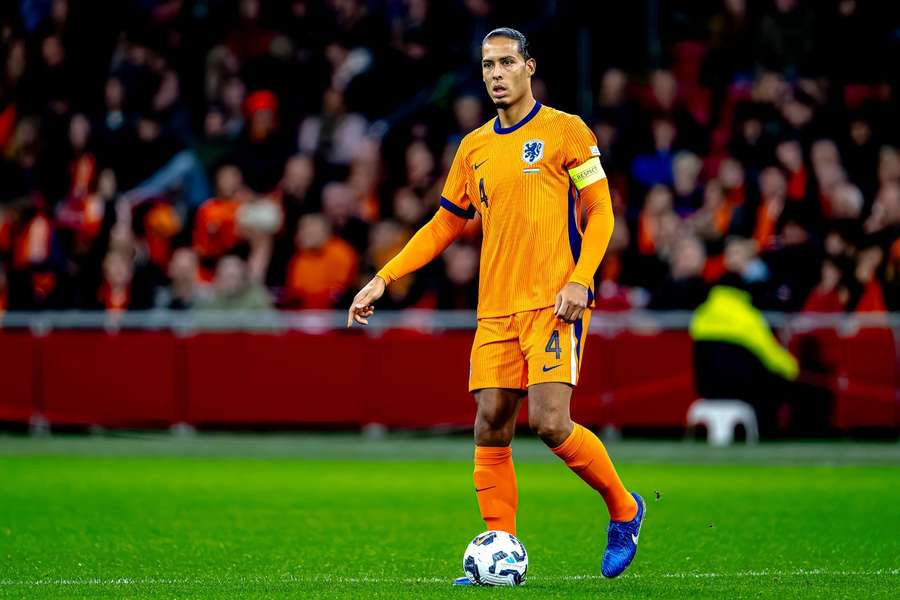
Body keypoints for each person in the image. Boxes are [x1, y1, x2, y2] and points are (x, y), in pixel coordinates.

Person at [346, 28, 644, 583]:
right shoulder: (474, 148)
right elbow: (443, 225)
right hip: (496, 311)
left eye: (507, 62)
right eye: (488, 66)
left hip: (555, 303)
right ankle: (499, 551)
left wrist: (581, 280)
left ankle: (625, 510)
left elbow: (602, 211)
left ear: (530, 66)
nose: (497, 74)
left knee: (552, 424)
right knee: (490, 426)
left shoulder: (566, 131)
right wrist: (384, 277)